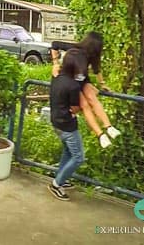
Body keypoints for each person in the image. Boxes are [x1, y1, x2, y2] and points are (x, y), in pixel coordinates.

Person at [50, 31, 120, 148]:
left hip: (83, 79)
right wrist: (55, 63)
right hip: (72, 81)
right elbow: (54, 44)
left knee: (92, 98)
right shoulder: (75, 48)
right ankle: (100, 135)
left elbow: (97, 69)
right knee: (85, 105)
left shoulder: (93, 55)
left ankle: (109, 127)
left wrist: (102, 84)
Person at [47, 49, 90, 201]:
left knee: (68, 151)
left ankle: (61, 178)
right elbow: (76, 108)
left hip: (56, 121)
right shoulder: (73, 86)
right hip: (67, 125)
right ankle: (56, 184)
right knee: (78, 157)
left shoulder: (56, 76)